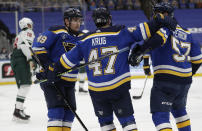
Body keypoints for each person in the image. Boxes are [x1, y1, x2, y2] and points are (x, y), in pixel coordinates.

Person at [46, 7, 177, 130]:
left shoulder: (84, 39)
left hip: (97, 91)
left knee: (106, 125)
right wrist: (161, 19)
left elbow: (66, 61)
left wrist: (53, 69)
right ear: (109, 19)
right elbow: (145, 29)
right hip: (118, 87)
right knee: (128, 123)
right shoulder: (120, 33)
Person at [129, 2, 202, 131]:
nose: (153, 17)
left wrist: (140, 51)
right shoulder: (187, 32)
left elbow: (157, 40)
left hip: (166, 80)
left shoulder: (164, 29)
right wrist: (187, 75)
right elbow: (198, 59)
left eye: (156, 13)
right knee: (180, 112)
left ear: (166, 14)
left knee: (160, 116)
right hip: (184, 82)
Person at [32, 8, 84, 131]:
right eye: (75, 20)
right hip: (52, 79)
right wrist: (49, 66)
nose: (78, 23)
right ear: (67, 21)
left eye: (79, 20)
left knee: (70, 113)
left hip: (70, 82)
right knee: (57, 112)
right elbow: (37, 48)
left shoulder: (82, 37)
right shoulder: (56, 31)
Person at [10, 17, 36, 121]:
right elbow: (25, 46)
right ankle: (17, 111)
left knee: (24, 86)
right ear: (28, 25)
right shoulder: (28, 32)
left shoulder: (20, 34)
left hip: (18, 58)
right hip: (21, 58)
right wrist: (30, 59)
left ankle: (18, 109)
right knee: (25, 85)